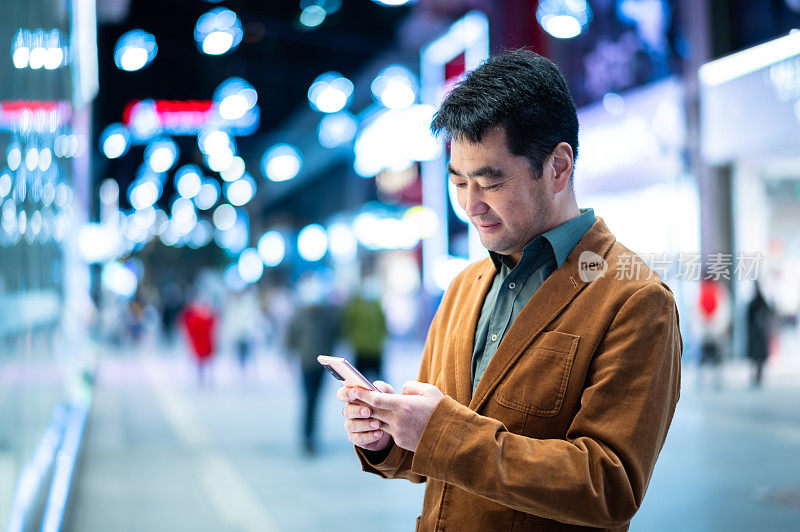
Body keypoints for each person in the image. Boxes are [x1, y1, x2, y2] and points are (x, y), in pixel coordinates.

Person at [337, 50, 682, 531]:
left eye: (490, 181)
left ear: (558, 166)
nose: (470, 205)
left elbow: (609, 485)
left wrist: (441, 432)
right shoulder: (465, 286)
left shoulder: (634, 299)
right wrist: (387, 436)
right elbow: (431, 451)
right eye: (459, 181)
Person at [285, 280, 341, 455]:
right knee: (309, 400)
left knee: (316, 400)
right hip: (307, 364)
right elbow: (291, 337)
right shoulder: (300, 316)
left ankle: (312, 435)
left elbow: (336, 334)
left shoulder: (327, 315)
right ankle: (307, 436)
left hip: (322, 366)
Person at [343, 286, 388, 384]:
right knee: (358, 381)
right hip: (361, 349)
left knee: (379, 382)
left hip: (375, 349)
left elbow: (383, 326)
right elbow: (349, 325)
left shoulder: (377, 307)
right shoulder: (356, 307)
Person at [179, 294, 218, 386]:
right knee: (200, 360)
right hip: (199, 341)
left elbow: (212, 326)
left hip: (205, 341)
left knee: (206, 359)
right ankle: (202, 377)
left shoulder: (208, 315)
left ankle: (207, 377)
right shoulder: (194, 315)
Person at [746, 282, 773, 387]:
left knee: (758, 357)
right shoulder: (758, 302)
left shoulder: (760, 302)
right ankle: (756, 375)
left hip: (759, 334)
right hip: (757, 334)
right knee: (756, 357)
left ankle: (758, 376)